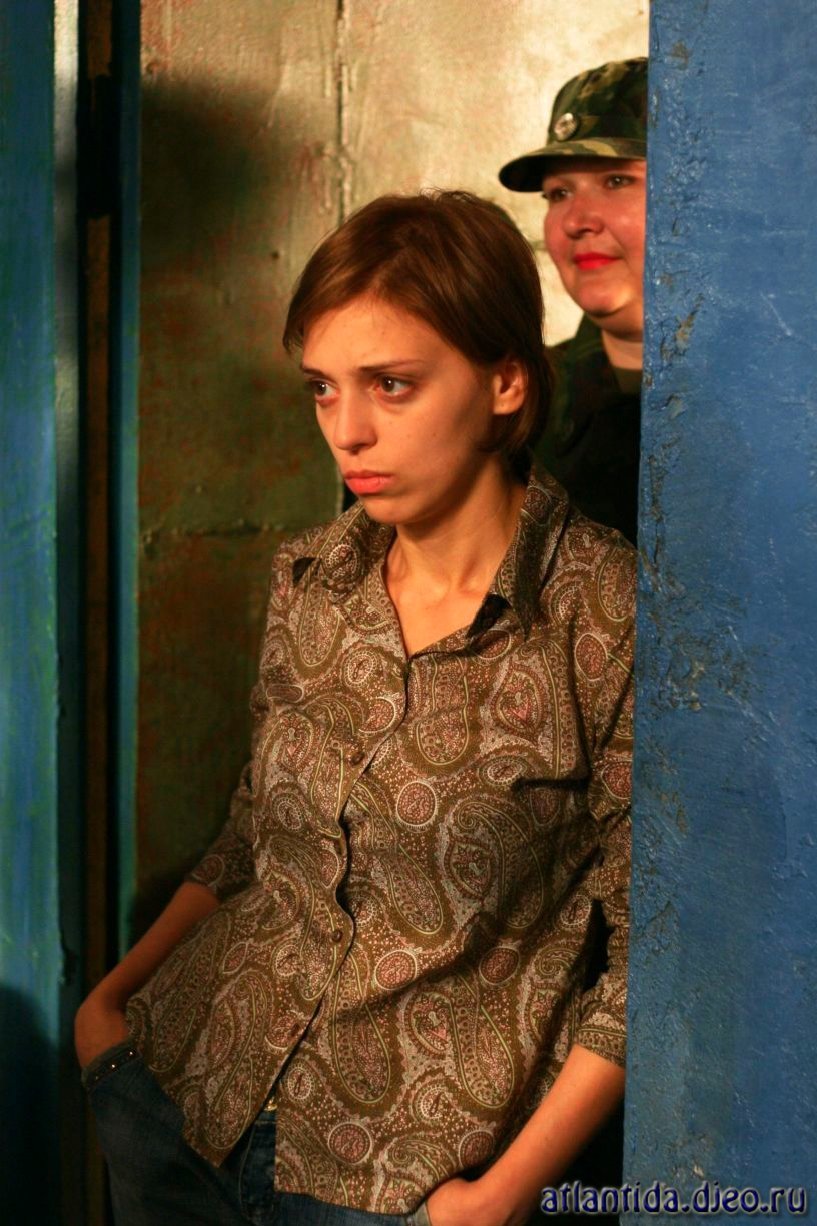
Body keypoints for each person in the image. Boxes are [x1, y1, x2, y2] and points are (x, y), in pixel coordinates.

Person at [76, 191, 635, 1226]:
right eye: (322, 389)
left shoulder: (605, 613)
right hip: (182, 1100)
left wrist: (505, 1195)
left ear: (504, 381)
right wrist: (108, 1005)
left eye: (391, 384)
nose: (349, 431)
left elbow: (654, 950)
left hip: (404, 1180)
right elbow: (251, 829)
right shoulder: (311, 577)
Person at [499, 58, 647, 544]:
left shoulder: (783, 393)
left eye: (617, 181)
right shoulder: (515, 404)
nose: (575, 220)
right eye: (559, 193)